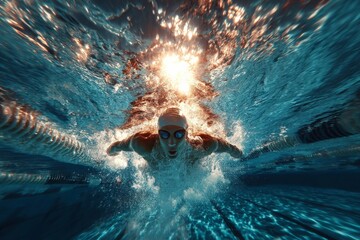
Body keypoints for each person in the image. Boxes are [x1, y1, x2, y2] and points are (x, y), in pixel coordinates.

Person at [107, 107, 243, 166]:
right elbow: (117, 146)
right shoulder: (142, 144)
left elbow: (226, 146)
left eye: (178, 134)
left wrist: (236, 152)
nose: (171, 142)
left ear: (187, 134)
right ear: (158, 133)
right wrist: (110, 152)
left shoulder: (202, 147)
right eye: (164, 134)